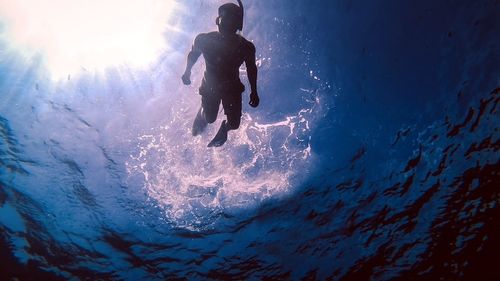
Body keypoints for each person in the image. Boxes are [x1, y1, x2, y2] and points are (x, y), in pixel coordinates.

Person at [181, 0, 259, 147]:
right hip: (210, 85)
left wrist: (254, 92)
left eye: (231, 21)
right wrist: (187, 72)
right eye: (223, 20)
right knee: (210, 118)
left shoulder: (246, 47)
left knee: (234, 124)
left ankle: (225, 127)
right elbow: (193, 54)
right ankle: (203, 112)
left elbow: (251, 68)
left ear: (237, 25)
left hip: (233, 87)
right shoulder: (205, 39)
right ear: (218, 21)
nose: (226, 24)